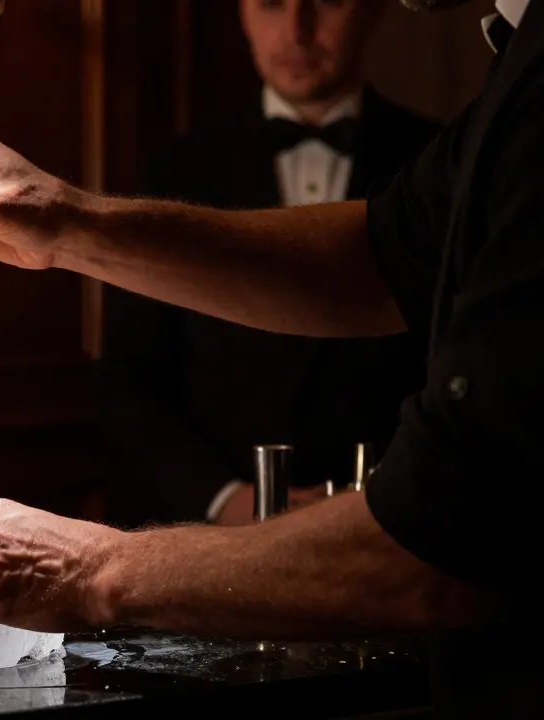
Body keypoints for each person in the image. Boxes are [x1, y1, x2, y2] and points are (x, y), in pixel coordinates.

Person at [0, 0, 544, 715]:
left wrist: (89, 568)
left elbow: (449, 542)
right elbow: (377, 256)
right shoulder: (535, 52)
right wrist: (62, 222)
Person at [102, 0, 441, 527]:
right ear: (240, 12)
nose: (297, 31)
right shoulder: (174, 171)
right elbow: (129, 383)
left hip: (392, 531)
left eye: (326, 2)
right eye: (272, 3)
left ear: (375, 11)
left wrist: (387, 499)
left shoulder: (438, 162)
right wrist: (227, 500)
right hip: (206, 545)